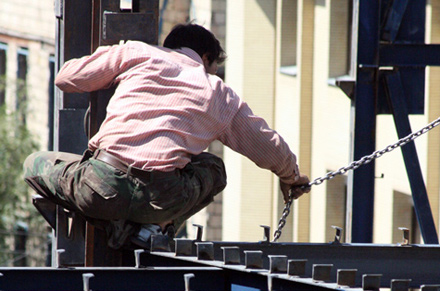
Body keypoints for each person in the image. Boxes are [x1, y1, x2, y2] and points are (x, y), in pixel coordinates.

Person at [23, 23, 311, 249]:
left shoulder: (137, 53)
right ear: (206, 57)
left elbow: (66, 78)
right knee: (214, 168)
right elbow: (266, 144)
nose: (211, 73)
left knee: (33, 164)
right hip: (163, 199)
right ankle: (154, 228)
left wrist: (114, 55)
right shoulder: (219, 93)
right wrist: (291, 177)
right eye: (213, 67)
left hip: (99, 185)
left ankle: (102, 217)